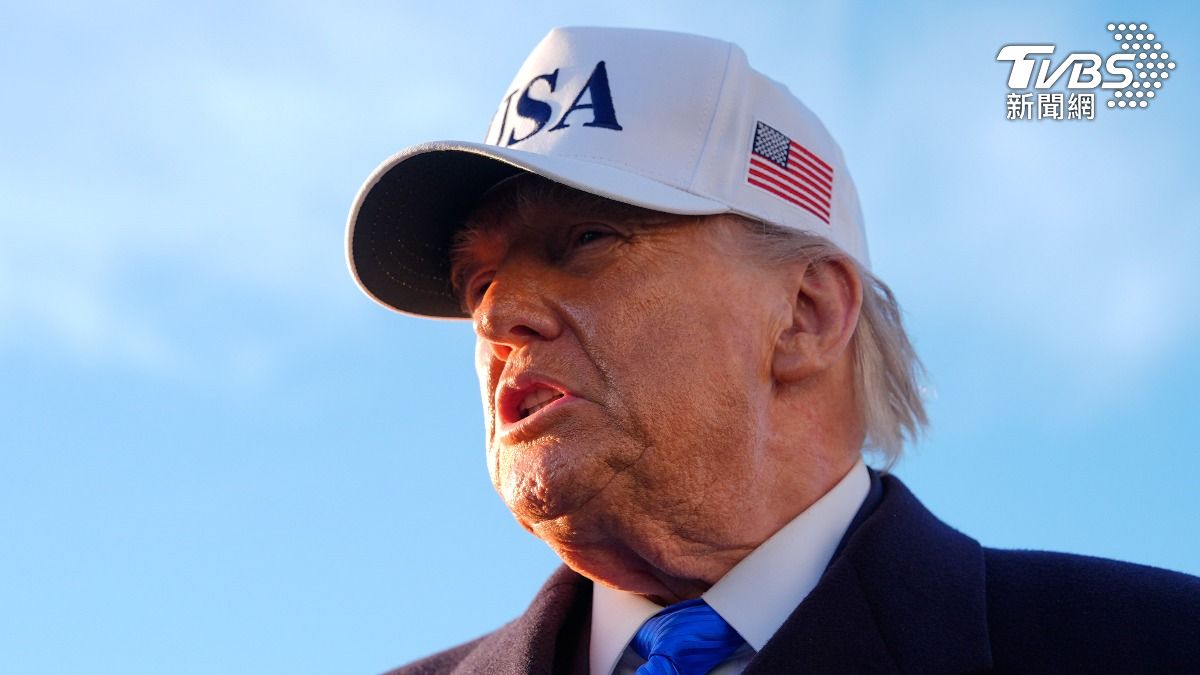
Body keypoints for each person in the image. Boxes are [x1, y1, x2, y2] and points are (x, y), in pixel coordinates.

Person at [345, 26, 1200, 674]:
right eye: (477, 281)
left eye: (588, 239)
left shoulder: (1152, 645)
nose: (498, 316)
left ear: (806, 314)